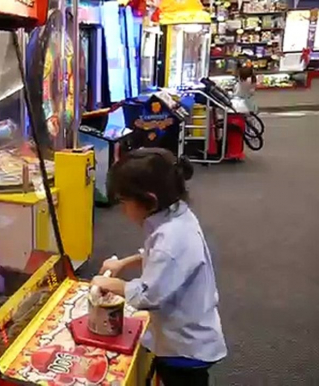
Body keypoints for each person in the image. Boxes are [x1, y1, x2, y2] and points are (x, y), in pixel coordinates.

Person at [91, 148, 227, 386]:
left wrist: (116, 285)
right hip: (188, 332)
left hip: (183, 347)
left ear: (150, 200)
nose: (122, 210)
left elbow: (149, 295)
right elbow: (158, 257)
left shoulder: (171, 238)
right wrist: (124, 262)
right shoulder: (175, 215)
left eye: (124, 202)